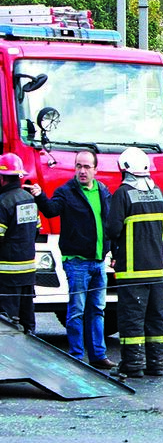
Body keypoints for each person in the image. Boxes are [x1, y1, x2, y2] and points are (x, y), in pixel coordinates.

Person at [30, 150, 115, 368]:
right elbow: (50, 211)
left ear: (96, 169)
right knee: (76, 310)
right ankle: (76, 355)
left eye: (87, 167)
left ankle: (98, 355)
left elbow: (110, 225)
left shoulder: (103, 191)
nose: (82, 171)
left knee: (97, 310)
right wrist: (39, 195)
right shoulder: (66, 192)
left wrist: (113, 251)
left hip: (98, 262)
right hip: (76, 262)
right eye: (78, 166)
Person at [106, 147, 163, 378]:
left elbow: (113, 229)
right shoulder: (159, 193)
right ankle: (157, 363)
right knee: (156, 317)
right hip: (156, 270)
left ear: (124, 169)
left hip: (131, 270)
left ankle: (133, 365)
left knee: (132, 318)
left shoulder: (123, 194)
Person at [0, 154, 38, 334]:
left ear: (2, 178)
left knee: (7, 324)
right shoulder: (28, 198)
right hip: (28, 270)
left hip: (7, 273)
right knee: (27, 319)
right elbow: (36, 229)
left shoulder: (2, 202)